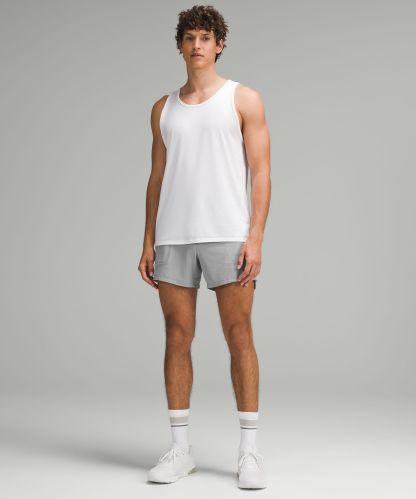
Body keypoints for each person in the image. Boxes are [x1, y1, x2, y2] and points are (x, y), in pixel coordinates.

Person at [138, 4, 271, 489]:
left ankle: (249, 453)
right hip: (173, 236)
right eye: (189, 37)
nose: (197, 45)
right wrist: (148, 240)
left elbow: (261, 172)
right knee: (177, 335)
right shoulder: (163, 109)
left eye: (206, 38)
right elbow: (156, 177)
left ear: (219, 45)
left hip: (228, 234)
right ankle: (180, 450)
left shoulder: (244, 99)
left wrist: (254, 237)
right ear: (180, 46)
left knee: (239, 334)